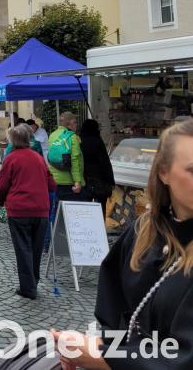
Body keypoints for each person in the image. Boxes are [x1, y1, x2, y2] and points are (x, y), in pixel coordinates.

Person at [51, 119, 193, 369]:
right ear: (163, 172)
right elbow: (114, 308)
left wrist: (102, 359)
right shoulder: (143, 232)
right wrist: (96, 347)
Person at [0, 124, 57, 300]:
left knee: (23, 249)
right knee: (36, 248)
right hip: (40, 210)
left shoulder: (11, 158)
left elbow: (2, 184)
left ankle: (28, 287)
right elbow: (51, 183)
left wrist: (0, 201)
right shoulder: (38, 157)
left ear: (12, 140)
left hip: (19, 210)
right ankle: (33, 282)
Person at [79, 119, 115, 216]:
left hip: (84, 179)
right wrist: (111, 180)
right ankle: (99, 228)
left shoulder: (79, 140)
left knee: (85, 209)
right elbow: (105, 163)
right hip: (99, 179)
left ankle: (86, 228)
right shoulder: (97, 141)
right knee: (100, 207)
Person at [48, 112, 86, 202]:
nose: (76, 125)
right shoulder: (72, 137)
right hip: (69, 182)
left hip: (55, 181)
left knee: (58, 212)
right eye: (75, 122)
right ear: (70, 123)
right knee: (73, 213)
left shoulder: (52, 135)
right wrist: (77, 181)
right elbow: (74, 160)